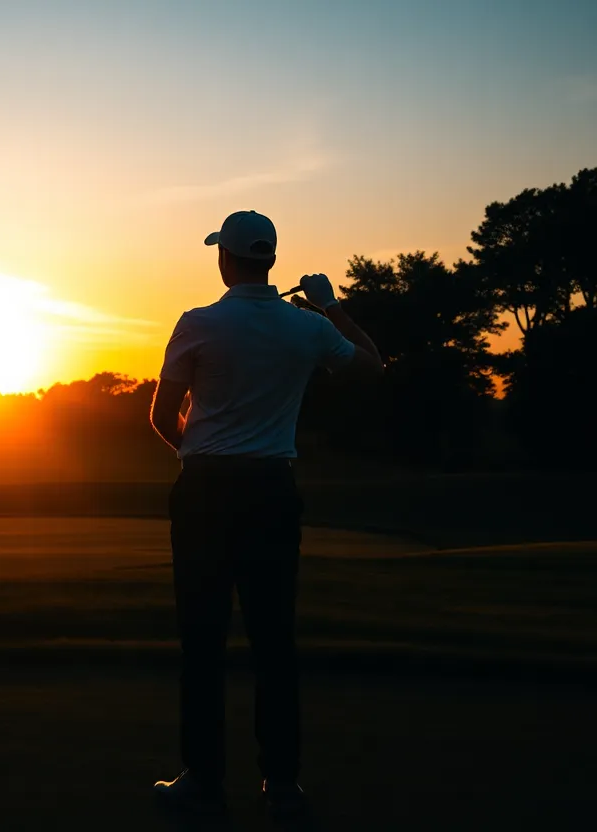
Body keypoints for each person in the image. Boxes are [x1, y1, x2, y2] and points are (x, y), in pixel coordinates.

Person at [149, 210, 383, 817]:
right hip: (271, 490)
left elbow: (161, 414)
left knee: (202, 640)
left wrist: (199, 454)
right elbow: (371, 363)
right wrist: (330, 305)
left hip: (204, 492)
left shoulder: (198, 322)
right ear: (271, 260)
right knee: (273, 640)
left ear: (224, 259)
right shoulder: (307, 326)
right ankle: (281, 784)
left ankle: (202, 779)